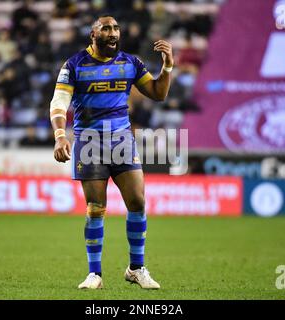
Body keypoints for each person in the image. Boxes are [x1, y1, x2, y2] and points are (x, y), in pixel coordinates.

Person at [50, 15, 173, 289]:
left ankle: (136, 268)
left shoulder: (130, 63)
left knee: (138, 202)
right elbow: (59, 104)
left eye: (116, 28)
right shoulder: (74, 65)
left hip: (122, 140)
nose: (113, 32)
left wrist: (167, 67)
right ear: (93, 34)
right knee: (96, 208)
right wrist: (60, 137)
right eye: (106, 28)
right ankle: (95, 274)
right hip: (89, 141)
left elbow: (157, 93)